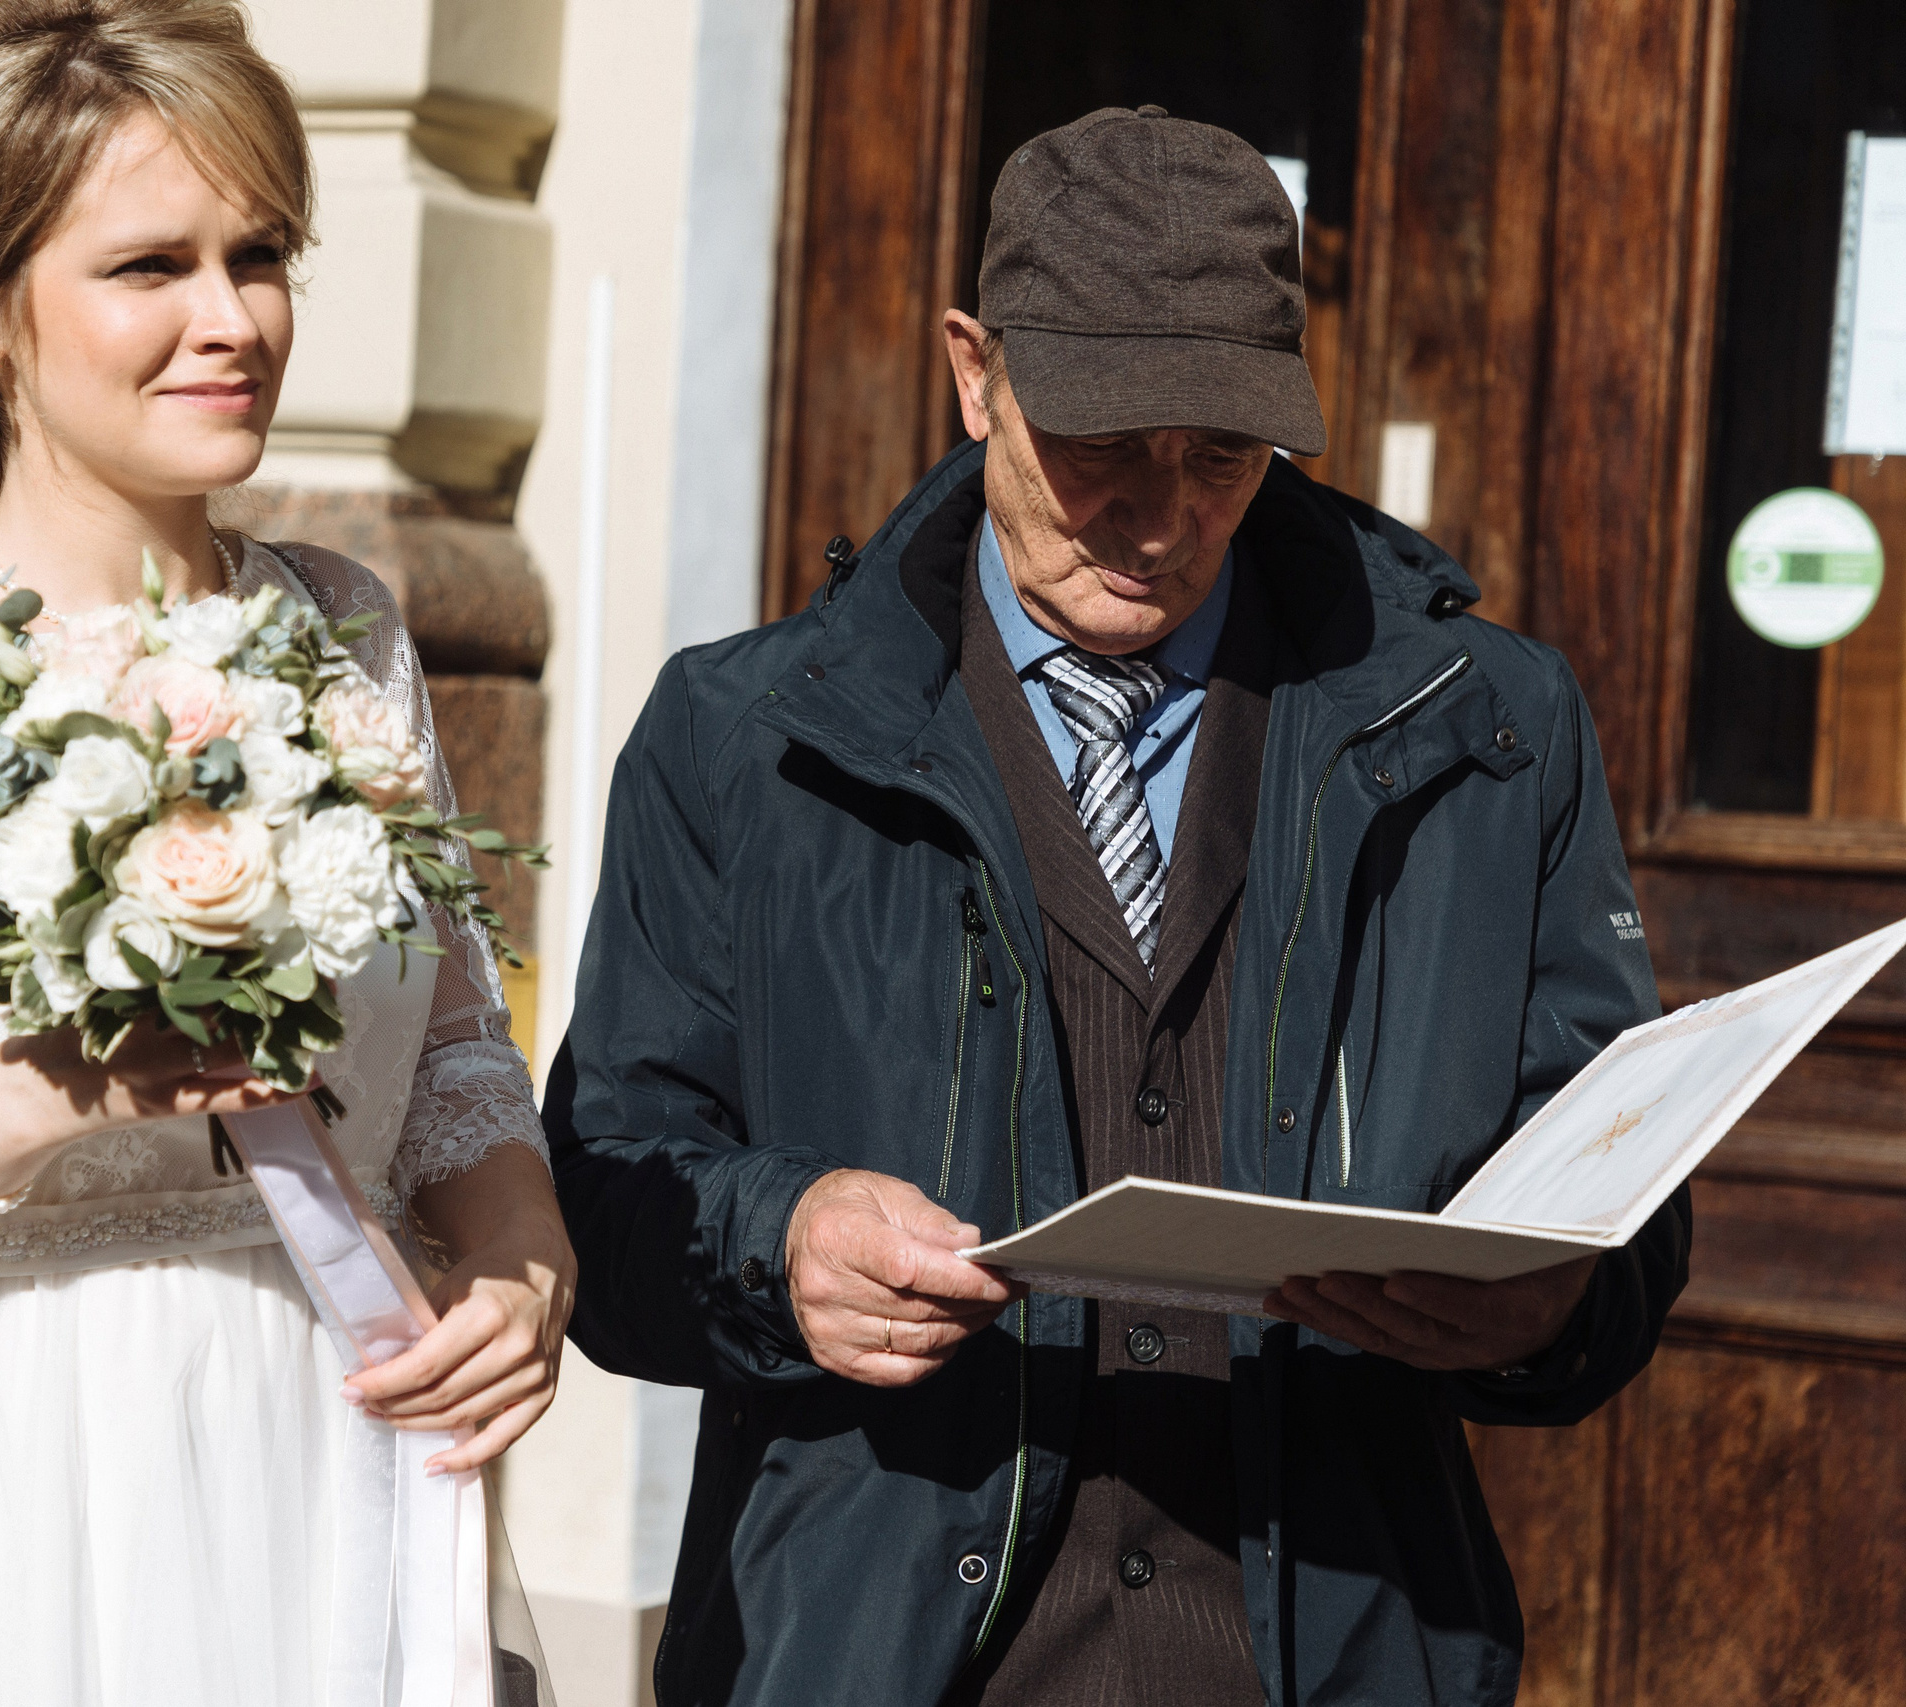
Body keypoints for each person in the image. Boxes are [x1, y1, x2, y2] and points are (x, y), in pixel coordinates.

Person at [546, 106, 1687, 1707]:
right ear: (975, 370)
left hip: (1343, 1648)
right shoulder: (740, 742)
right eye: (1100, 445)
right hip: (880, 1654)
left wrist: (1552, 1295)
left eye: (1221, 455)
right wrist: (774, 1242)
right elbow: (598, 1195)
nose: (1160, 518)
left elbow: (1626, 1192)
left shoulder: (1490, 728)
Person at [0, 4, 572, 1701]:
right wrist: (55, 1086)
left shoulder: (344, 632)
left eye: (263, 254)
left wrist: (522, 1265)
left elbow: (450, 1049)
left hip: (320, 1439)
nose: (232, 321)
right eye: (152, 265)